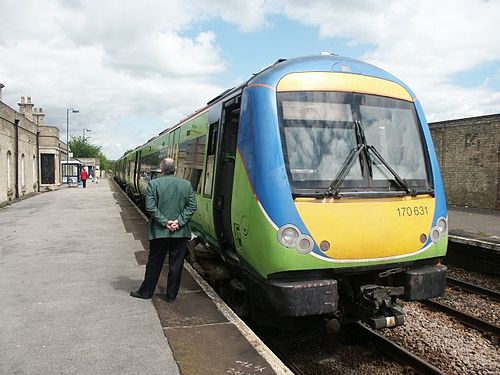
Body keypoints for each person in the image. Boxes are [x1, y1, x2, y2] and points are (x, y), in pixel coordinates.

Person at [130, 158, 197, 302]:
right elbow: (191, 207)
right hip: (180, 232)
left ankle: (146, 292)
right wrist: (178, 223)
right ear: (175, 169)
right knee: (176, 265)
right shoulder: (186, 185)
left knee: (154, 263)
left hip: (159, 232)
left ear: (162, 169)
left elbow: (150, 207)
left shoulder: (153, 184)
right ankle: (171, 295)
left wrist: (165, 223)